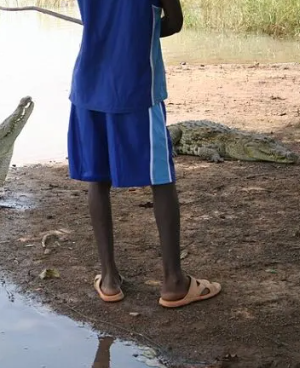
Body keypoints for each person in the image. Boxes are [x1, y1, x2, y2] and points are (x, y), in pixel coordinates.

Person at [67, 0, 221, 308]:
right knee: (161, 178)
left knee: (98, 180)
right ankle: (174, 282)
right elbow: (174, 22)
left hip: (89, 85)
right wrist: (140, 33)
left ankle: (109, 280)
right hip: (137, 87)